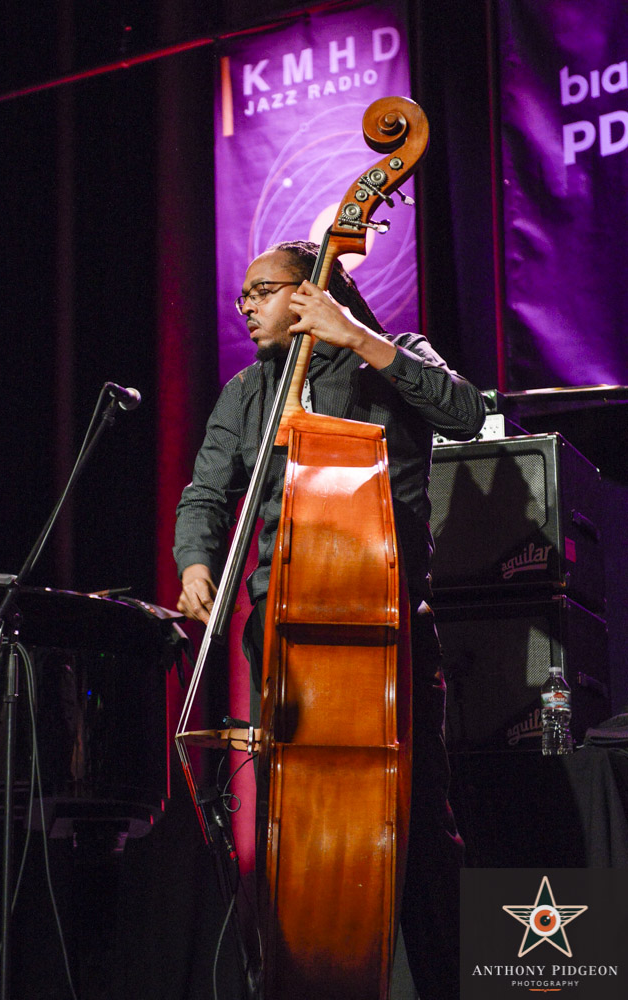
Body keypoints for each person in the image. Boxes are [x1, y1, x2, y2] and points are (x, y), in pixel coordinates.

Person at [174, 240, 486, 1000]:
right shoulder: (246, 391)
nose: (246, 306)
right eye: (243, 296)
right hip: (280, 630)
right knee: (296, 828)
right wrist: (194, 562)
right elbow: (206, 493)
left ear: (312, 291)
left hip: (385, 630)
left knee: (417, 827)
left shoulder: (393, 357)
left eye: (262, 291)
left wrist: (360, 339)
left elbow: (468, 415)